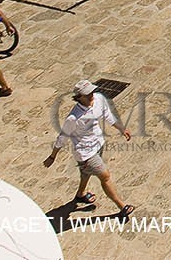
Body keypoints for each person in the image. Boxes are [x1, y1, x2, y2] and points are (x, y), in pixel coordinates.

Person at [44, 80, 135, 220]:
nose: (91, 95)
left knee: (86, 173)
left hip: (98, 144)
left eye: (91, 92)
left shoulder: (99, 98)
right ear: (79, 96)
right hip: (85, 153)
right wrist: (52, 156)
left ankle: (80, 195)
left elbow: (107, 115)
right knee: (105, 176)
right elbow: (63, 137)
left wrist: (121, 128)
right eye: (87, 94)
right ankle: (122, 207)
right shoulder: (73, 118)